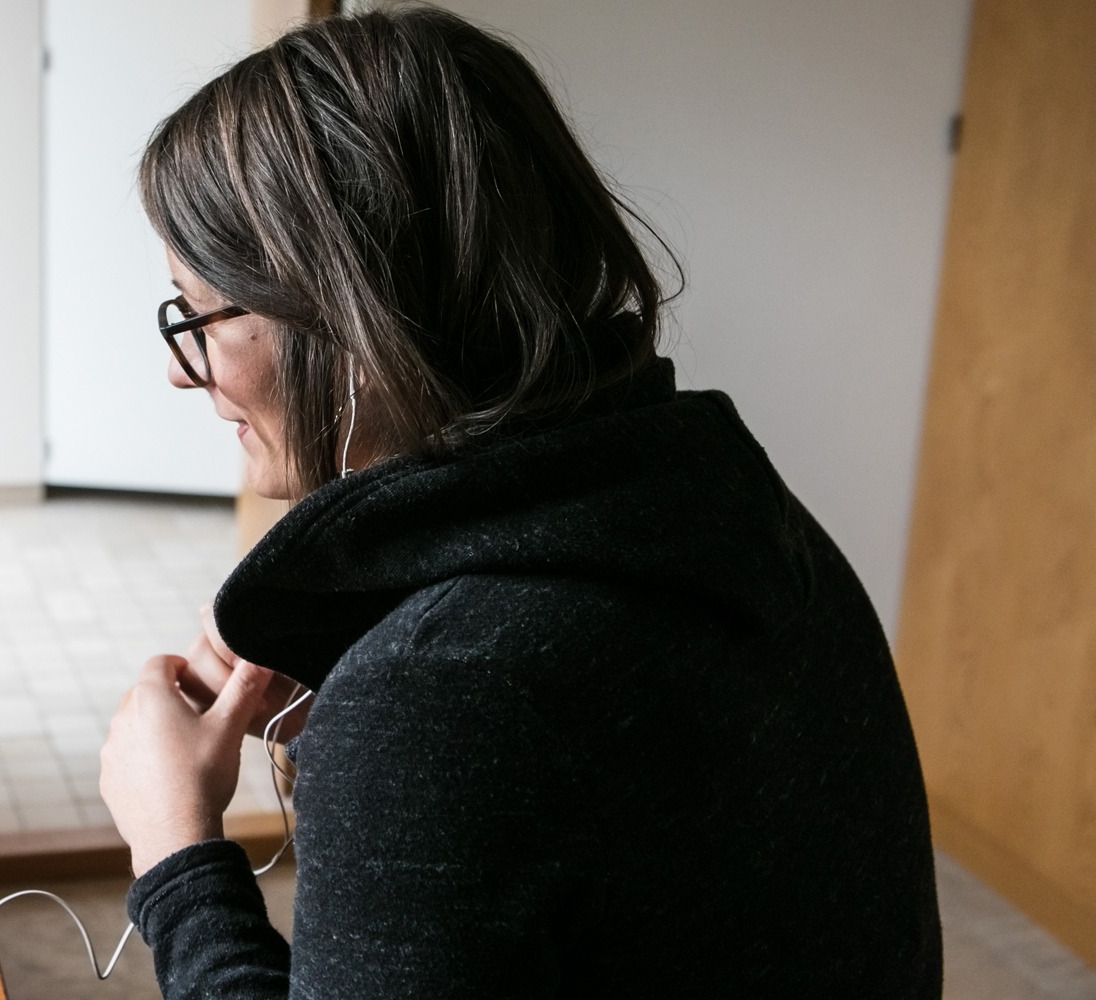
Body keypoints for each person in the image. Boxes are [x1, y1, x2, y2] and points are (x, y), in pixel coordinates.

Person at [95, 7, 941, 998]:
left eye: (195, 312)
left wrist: (176, 853)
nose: (177, 371)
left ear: (347, 309)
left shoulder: (442, 688)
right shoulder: (728, 505)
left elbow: (491, 710)